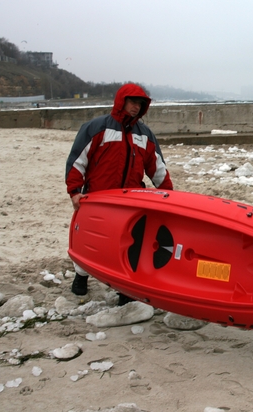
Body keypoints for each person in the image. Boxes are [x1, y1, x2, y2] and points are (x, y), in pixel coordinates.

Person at [65, 83, 173, 304]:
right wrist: (75, 191)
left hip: (131, 201)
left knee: (129, 243)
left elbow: (157, 168)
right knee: (90, 239)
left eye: (140, 104)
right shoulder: (97, 128)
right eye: (132, 102)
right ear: (121, 101)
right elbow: (78, 161)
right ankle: (81, 276)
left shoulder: (145, 135)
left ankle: (125, 289)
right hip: (99, 198)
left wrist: (169, 197)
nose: (136, 107)